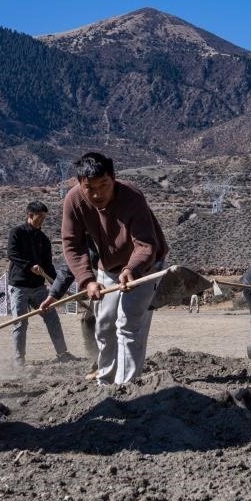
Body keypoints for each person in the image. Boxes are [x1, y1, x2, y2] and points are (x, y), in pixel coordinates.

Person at [61, 152, 167, 385]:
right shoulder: (74, 200)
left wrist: (132, 270)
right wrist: (87, 280)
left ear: (113, 178)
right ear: (80, 184)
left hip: (144, 267)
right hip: (108, 267)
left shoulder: (132, 197)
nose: (97, 194)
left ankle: (126, 387)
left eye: (104, 185)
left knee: (128, 325)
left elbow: (146, 245)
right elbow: (72, 244)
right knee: (105, 324)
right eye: (90, 188)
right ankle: (106, 382)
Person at [7, 201, 74, 364]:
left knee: (52, 319)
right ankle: (19, 359)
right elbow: (12, 253)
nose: (43, 220)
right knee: (20, 323)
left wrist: (59, 284)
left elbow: (48, 266)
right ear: (30, 215)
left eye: (45, 217)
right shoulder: (17, 232)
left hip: (39, 288)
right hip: (19, 287)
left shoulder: (43, 239)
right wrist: (29, 266)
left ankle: (62, 354)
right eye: (40, 217)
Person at [40, 238, 101, 378]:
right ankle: (98, 360)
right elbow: (69, 266)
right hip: (99, 285)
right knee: (88, 320)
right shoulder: (82, 237)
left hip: (122, 280)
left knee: (109, 322)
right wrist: (53, 296)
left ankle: (115, 362)